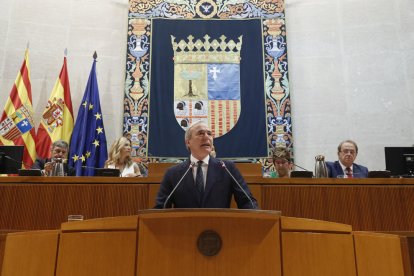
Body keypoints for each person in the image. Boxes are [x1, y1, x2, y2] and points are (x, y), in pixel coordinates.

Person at [154, 121, 258, 209]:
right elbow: (160, 208)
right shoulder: (173, 173)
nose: (206, 137)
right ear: (188, 142)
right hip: (185, 230)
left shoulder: (227, 168)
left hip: (220, 230)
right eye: (200, 133)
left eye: (209, 133)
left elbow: (247, 202)